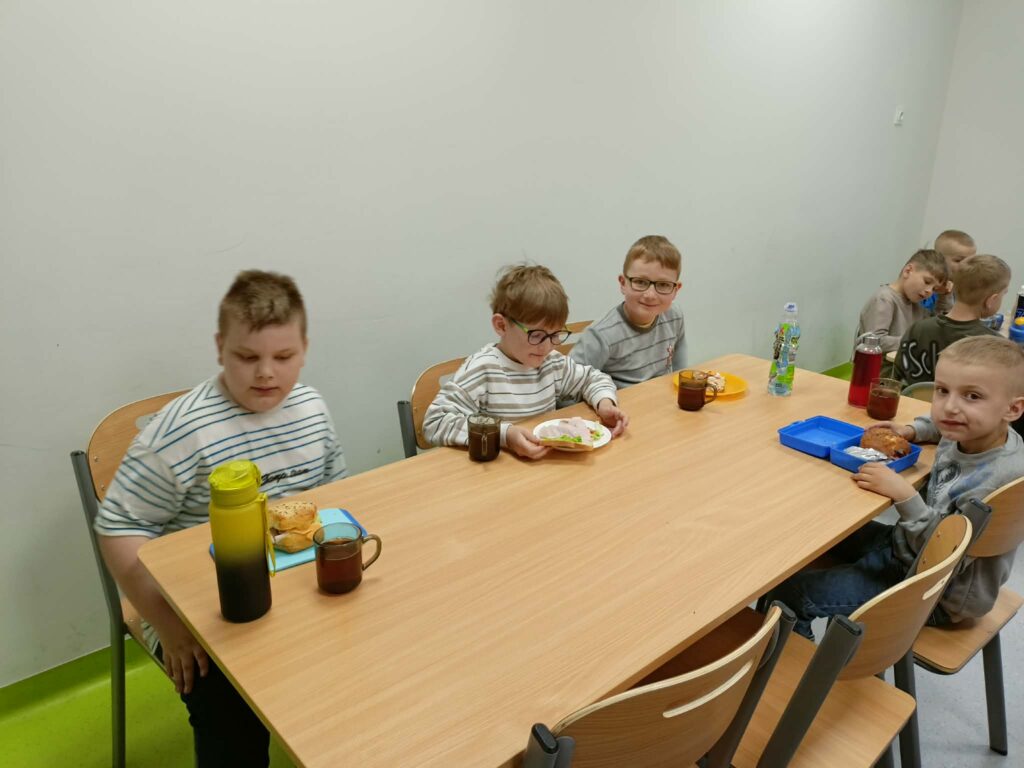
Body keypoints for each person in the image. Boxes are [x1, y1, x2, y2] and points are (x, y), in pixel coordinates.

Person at [95, 270, 347, 767]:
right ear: (219, 348)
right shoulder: (183, 430)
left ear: (304, 349)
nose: (266, 373)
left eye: (283, 357)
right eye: (247, 357)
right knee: (229, 719)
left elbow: (333, 502)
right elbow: (117, 530)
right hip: (196, 610)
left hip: (295, 588)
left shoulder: (312, 409)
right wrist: (169, 626)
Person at [768, 335, 1024, 639]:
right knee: (814, 532)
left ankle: (797, 665)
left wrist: (905, 495)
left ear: (1012, 409)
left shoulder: (995, 483)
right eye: (942, 390)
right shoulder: (977, 431)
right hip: (908, 547)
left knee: (791, 594)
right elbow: (939, 423)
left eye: (972, 396)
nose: (950, 407)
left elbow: (946, 555)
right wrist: (912, 430)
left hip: (936, 589)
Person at [422, 264, 628, 459]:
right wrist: (504, 435)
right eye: (537, 335)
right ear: (501, 325)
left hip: (545, 464)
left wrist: (604, 403)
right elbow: (435, 422)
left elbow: (593, 379)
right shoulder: (483, 370)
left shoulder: (552, 363)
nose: (547, 347)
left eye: (555, 335)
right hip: (501, 470)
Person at [569, 235, 686, 388]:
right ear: (623, 283)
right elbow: (568, 386)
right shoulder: (601, 334)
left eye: (663, 285)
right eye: (640, 282)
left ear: (676, 290)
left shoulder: (674, 316)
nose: (650, 295)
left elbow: (679, 369)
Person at [896, 254, 1010, 385]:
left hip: (910, 398)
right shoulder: (995, 346)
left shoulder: (917, 329)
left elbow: (896, 379)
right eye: (1003, 294)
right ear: (991, 300)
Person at [855, 248, 949, 362]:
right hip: (880, 369)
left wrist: (944, 296)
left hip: (902, 366)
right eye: (927, 282)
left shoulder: (917, 304)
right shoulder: (884, 298)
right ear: (908, 271)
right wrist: (914, 341)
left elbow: (937, 328)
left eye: (934, 289)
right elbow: (874, 342)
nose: (929, 291)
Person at [926, 229, 977, 314]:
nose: (966, 265)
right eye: (958, 260)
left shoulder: (963, 288)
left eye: (971, 261)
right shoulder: (927, 289)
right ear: (939, 259)